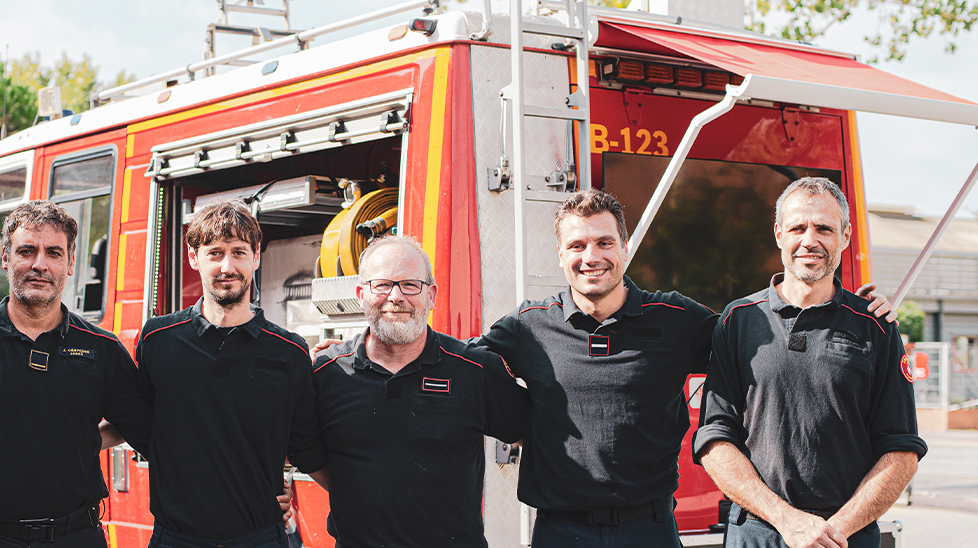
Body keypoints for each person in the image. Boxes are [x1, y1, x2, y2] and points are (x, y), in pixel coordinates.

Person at [471, 189, 896, 548]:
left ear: (624, 248)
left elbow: (765, 342)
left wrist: (851, 313)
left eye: (604, 243)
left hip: (650, 528)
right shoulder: (529, 326)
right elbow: (468, 368)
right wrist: (522, 422)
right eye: (577, 246)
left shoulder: (676, 318)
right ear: (561, 254)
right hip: (559, 531)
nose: (591, 257)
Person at [0, 200, 152, 548]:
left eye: (53, 253)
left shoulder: (102, 350)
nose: (40, 265)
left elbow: (150, 432)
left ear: (70, 263)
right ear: (6, 258)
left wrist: (81, 438)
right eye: (27, 251)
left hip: (76, 539)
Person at [694, 178, 925, 548]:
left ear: (845, 237)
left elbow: (901, 451)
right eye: (797, 228)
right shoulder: (738, 320)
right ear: (778, 234)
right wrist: (788, 520)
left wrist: (832, 531)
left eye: (824, 229)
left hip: (844, 536)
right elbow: (714, 438)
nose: (809, 240)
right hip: (756, 532)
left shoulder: (876, 327)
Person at [312, 236, 529, 548]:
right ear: (361, 295)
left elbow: (535, 436)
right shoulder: (327, 373)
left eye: (410, 285)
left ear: (432, 295)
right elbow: (293, 444)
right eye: (382, 285)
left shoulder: (474, 370)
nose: (396, 297)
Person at [134, 200, 327, 548]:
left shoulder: (289, 352)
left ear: (256, 257)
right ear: (193, 257)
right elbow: (139, 424)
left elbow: (306, 447)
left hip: (260, 538)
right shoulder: (158, 340)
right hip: (177, 540)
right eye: (215, 253)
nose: (227, 266)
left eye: (238, 252)